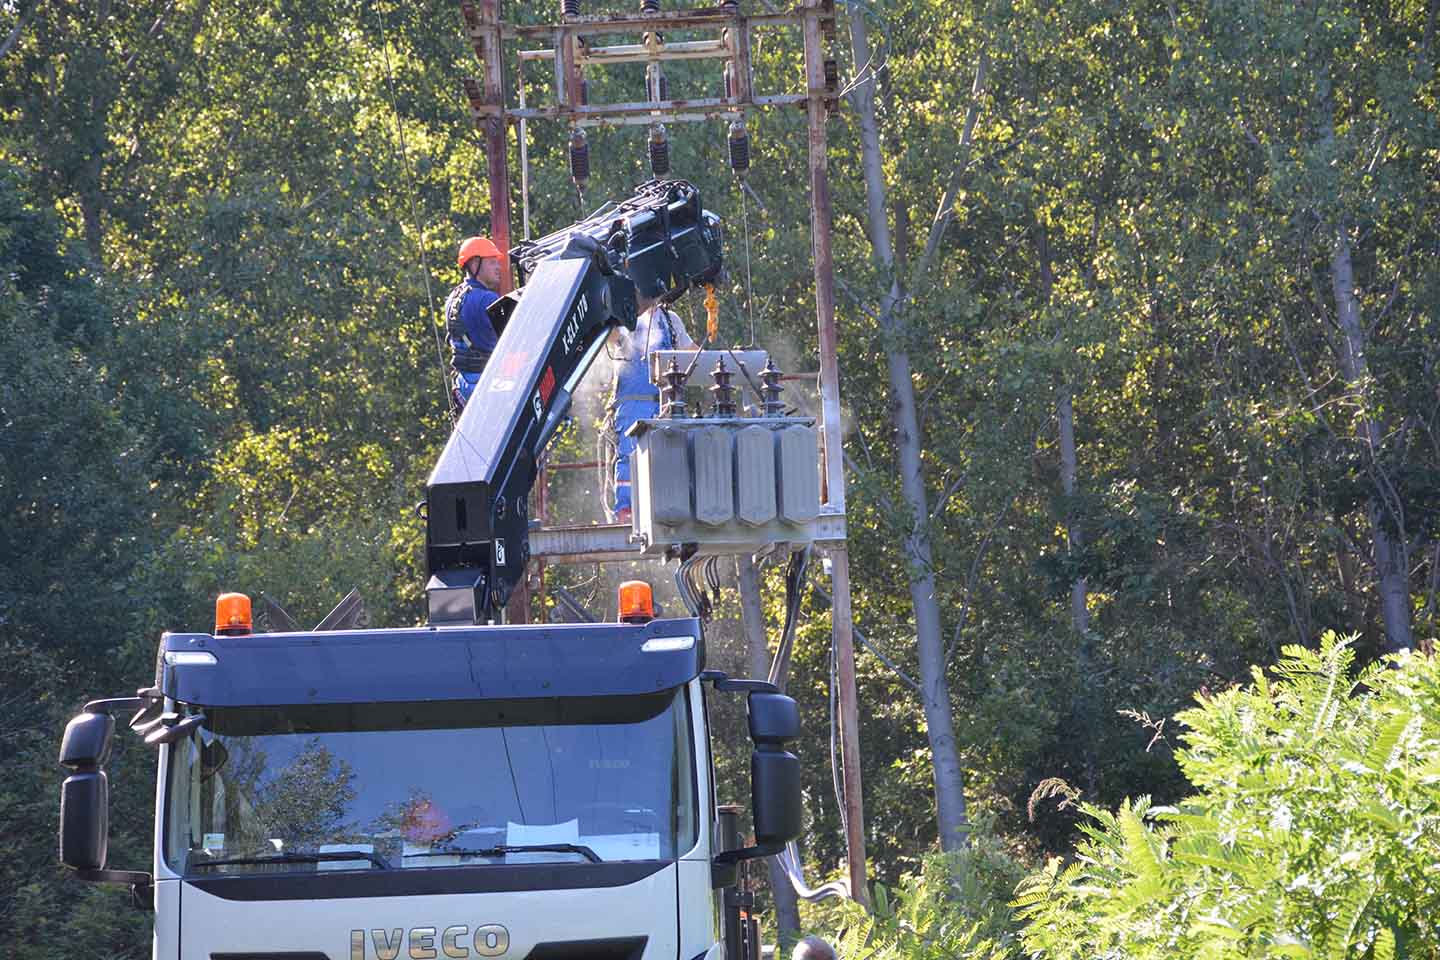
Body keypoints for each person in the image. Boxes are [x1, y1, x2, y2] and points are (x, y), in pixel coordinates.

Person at [610, 295, 696, 522]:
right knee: (630, 454)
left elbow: (690, 351)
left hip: (665, 401)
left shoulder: (670, 320)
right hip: (632, 401)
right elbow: (609, 336)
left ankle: (667, 508)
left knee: (668, 453)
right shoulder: (624, 314)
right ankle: (626, 510)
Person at [445, 236, 504, 409]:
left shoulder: (453, 298)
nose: (498, 268)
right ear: (475, 264)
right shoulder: (487, 299)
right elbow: (514, 338)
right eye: (492, 262)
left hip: (463, 384)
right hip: (485, 384)